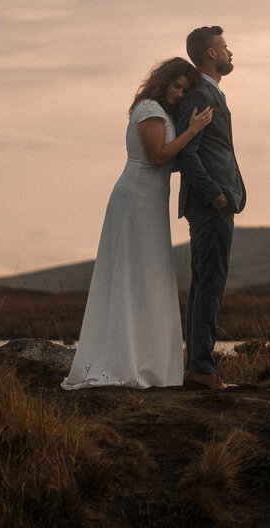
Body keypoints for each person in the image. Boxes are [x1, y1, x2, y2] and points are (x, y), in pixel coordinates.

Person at [61, 57, 213, 389]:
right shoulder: (150, 110)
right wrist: (192, 130)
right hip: (135, 200)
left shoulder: (160, 112)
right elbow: (157, 155)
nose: (178, 93)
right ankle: (126, 362)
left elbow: (166, 160)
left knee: (147, 276)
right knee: (133, 276)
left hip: (149, 200)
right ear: (163, 81)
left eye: (184, 90)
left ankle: (145, 359)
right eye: (176, 86)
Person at [175, 26, 246, 391]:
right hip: (210, 204)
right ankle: (202, 367)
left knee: (205, 281)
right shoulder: (200, 94)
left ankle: (198, 365)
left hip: (214, 202)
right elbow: (187, 152)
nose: (230, 51)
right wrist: (215, 194)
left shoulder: (211, 93)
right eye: (224, 46)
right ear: (210, 53)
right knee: (210, 283)